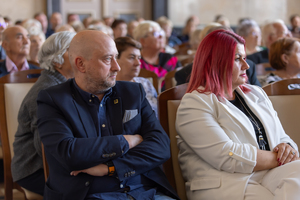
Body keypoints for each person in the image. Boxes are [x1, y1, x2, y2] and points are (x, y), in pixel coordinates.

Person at [36, 30, 179, 200]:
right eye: (107, 59)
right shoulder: (54, 99)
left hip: (143, 190)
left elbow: (161, 146)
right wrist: (126, 141)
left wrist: (111, 167)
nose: (116, 67)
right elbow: (69, 152)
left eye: (116, 57)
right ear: (81, 64)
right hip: (88, 193)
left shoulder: (132, 92)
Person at [176, 29, 300, 200]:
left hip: (268, 174)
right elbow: (228, 156)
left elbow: (283, 138)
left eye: (245, 58)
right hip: (226, 184)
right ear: (216, 61)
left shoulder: (256, 93)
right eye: (237, 59)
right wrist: (279, 158)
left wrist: (287, 148)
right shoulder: (194, 103)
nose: (246, 66)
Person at [11, 31, 76, 196]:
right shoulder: (46, 91)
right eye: (74, 50)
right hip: (34, 169)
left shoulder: (66, 85)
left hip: (60, 160)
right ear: (57, 60)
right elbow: (46, 148)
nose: (81, 56)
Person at [175, 26, 261, 87]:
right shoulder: (186, 74)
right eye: (237, 58)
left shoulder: (249, 68)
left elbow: (259, 100)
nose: (246, 66)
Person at [115, 37, 158, 116]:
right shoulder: (107, 87)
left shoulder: (145, 83)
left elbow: (157, 116)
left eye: (139, 58)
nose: (138, 63)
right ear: (115, 59)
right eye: (131, 57)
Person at [133, 21, 181, 89]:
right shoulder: (136, 62)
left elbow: (182, 84)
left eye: (161, 33)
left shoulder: (171, 59)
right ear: (142, 41)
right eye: (155, 34)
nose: (161, 36)